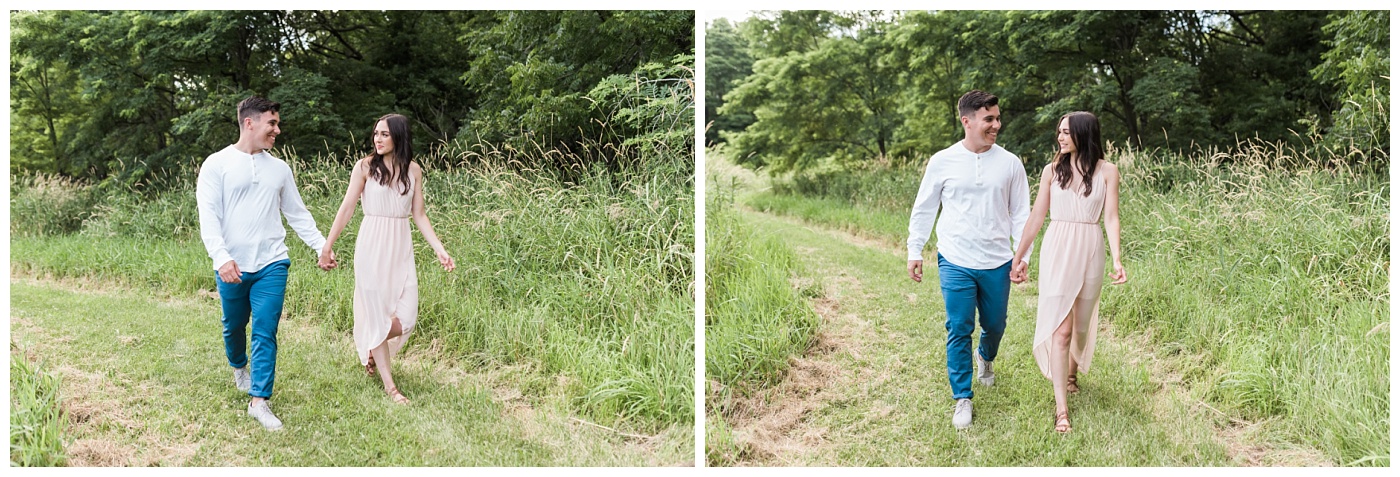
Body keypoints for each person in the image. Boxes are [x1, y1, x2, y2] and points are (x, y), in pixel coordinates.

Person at [197, 95, 336, 431]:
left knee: (265, 330)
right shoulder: (216, 164)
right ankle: (238, 366)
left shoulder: (280, 168)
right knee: (233, 326)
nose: (277, 129)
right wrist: (222, 256)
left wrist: (322, 246)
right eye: (272, 123)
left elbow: (297, 214)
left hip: (273, 262)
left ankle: (260, 401)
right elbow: (209, 217)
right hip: (232, 266)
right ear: (250, 122)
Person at [907, 90, 1032, 430]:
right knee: (959, 327)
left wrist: (1022, 257)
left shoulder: (1010, 163)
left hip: (997, 260)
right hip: (955, 258)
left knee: (995, 324)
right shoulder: (942, 161)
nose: (997, 125)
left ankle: (986, 359)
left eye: (997, 118)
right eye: (989, 119)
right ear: (967, 121)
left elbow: (1022, 214)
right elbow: (924, 208)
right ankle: (962, 397)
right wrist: (914, 249)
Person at [320, 113, 455, 405]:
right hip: (371, 246)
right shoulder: (365, 167)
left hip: (400, 246)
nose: (377, 139)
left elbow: (419, 214)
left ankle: (373, 342)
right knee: (377, 314)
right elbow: (346, 208)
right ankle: (391, 387)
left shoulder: (414, 171)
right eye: (375, 134)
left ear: (398, 137)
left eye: (384, 134)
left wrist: (439, 248)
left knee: (406, 316)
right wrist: (327, 245)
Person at [1010, 111, 1127, 433]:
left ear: (1083, 134)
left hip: (1091, 248)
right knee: (1061, 331)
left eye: (1066, 132)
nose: (1060, 137)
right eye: (1058, 132)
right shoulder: (1051, 171)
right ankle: (1061, 409)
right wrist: (1019, 256)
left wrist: (1117, 258)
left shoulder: (1108, 172)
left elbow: (1112, 218)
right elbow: (1036, 217)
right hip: (1058, 248)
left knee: (1081, 327)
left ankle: (1072, 372)